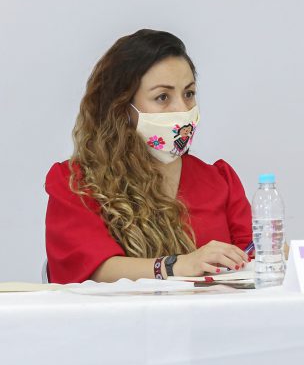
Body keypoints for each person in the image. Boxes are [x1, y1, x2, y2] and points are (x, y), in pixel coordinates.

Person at [45, 29, 252, 283]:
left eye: (188, 94)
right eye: (162, 97)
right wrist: (178, 265)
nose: (182, 109)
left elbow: (253, 257)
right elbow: (92, 270)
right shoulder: (76, 182)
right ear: (121, 107)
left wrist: (274, 255)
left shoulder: (220, 180)